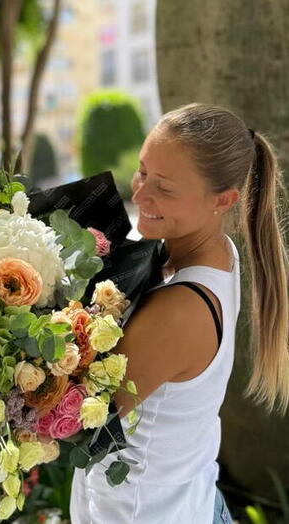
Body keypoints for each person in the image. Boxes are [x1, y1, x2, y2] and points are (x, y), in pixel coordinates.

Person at [70, 103, 289, 523]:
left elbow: (74, 418)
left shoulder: (180, 309)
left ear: (223, 200)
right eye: (142, 171)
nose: (140, 194)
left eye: (165, 188)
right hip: (191, 504)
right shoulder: (211, 253)